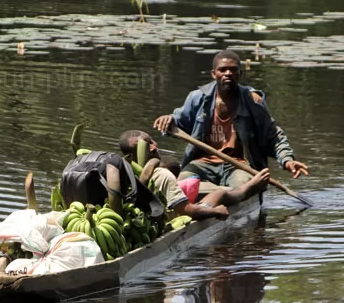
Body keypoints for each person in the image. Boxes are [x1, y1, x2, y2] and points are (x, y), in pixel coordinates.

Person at [153, 49, 309, 193]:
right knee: (182, 185)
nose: (228, 73)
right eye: (222, 70)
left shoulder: (252, 101)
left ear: (240, 73)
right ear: (214, 74)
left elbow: (273, 136)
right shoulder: (198, 98)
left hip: (240, 166)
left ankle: (221, 200)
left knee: (242, 188)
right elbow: (179, 123)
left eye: (233, 70)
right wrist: (169, 119)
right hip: (203, 163)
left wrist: (288, 161)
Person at [118, 130, 270, 221]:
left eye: (152, 141)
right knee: (220, 193)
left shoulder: (124, 173)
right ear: (133, 155)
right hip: (176, 217)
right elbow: (188, 211)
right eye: (146, 145)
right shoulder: (161, 175)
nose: (153, 147)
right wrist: (216, 211)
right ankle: (249, 188)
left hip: (168, 208)